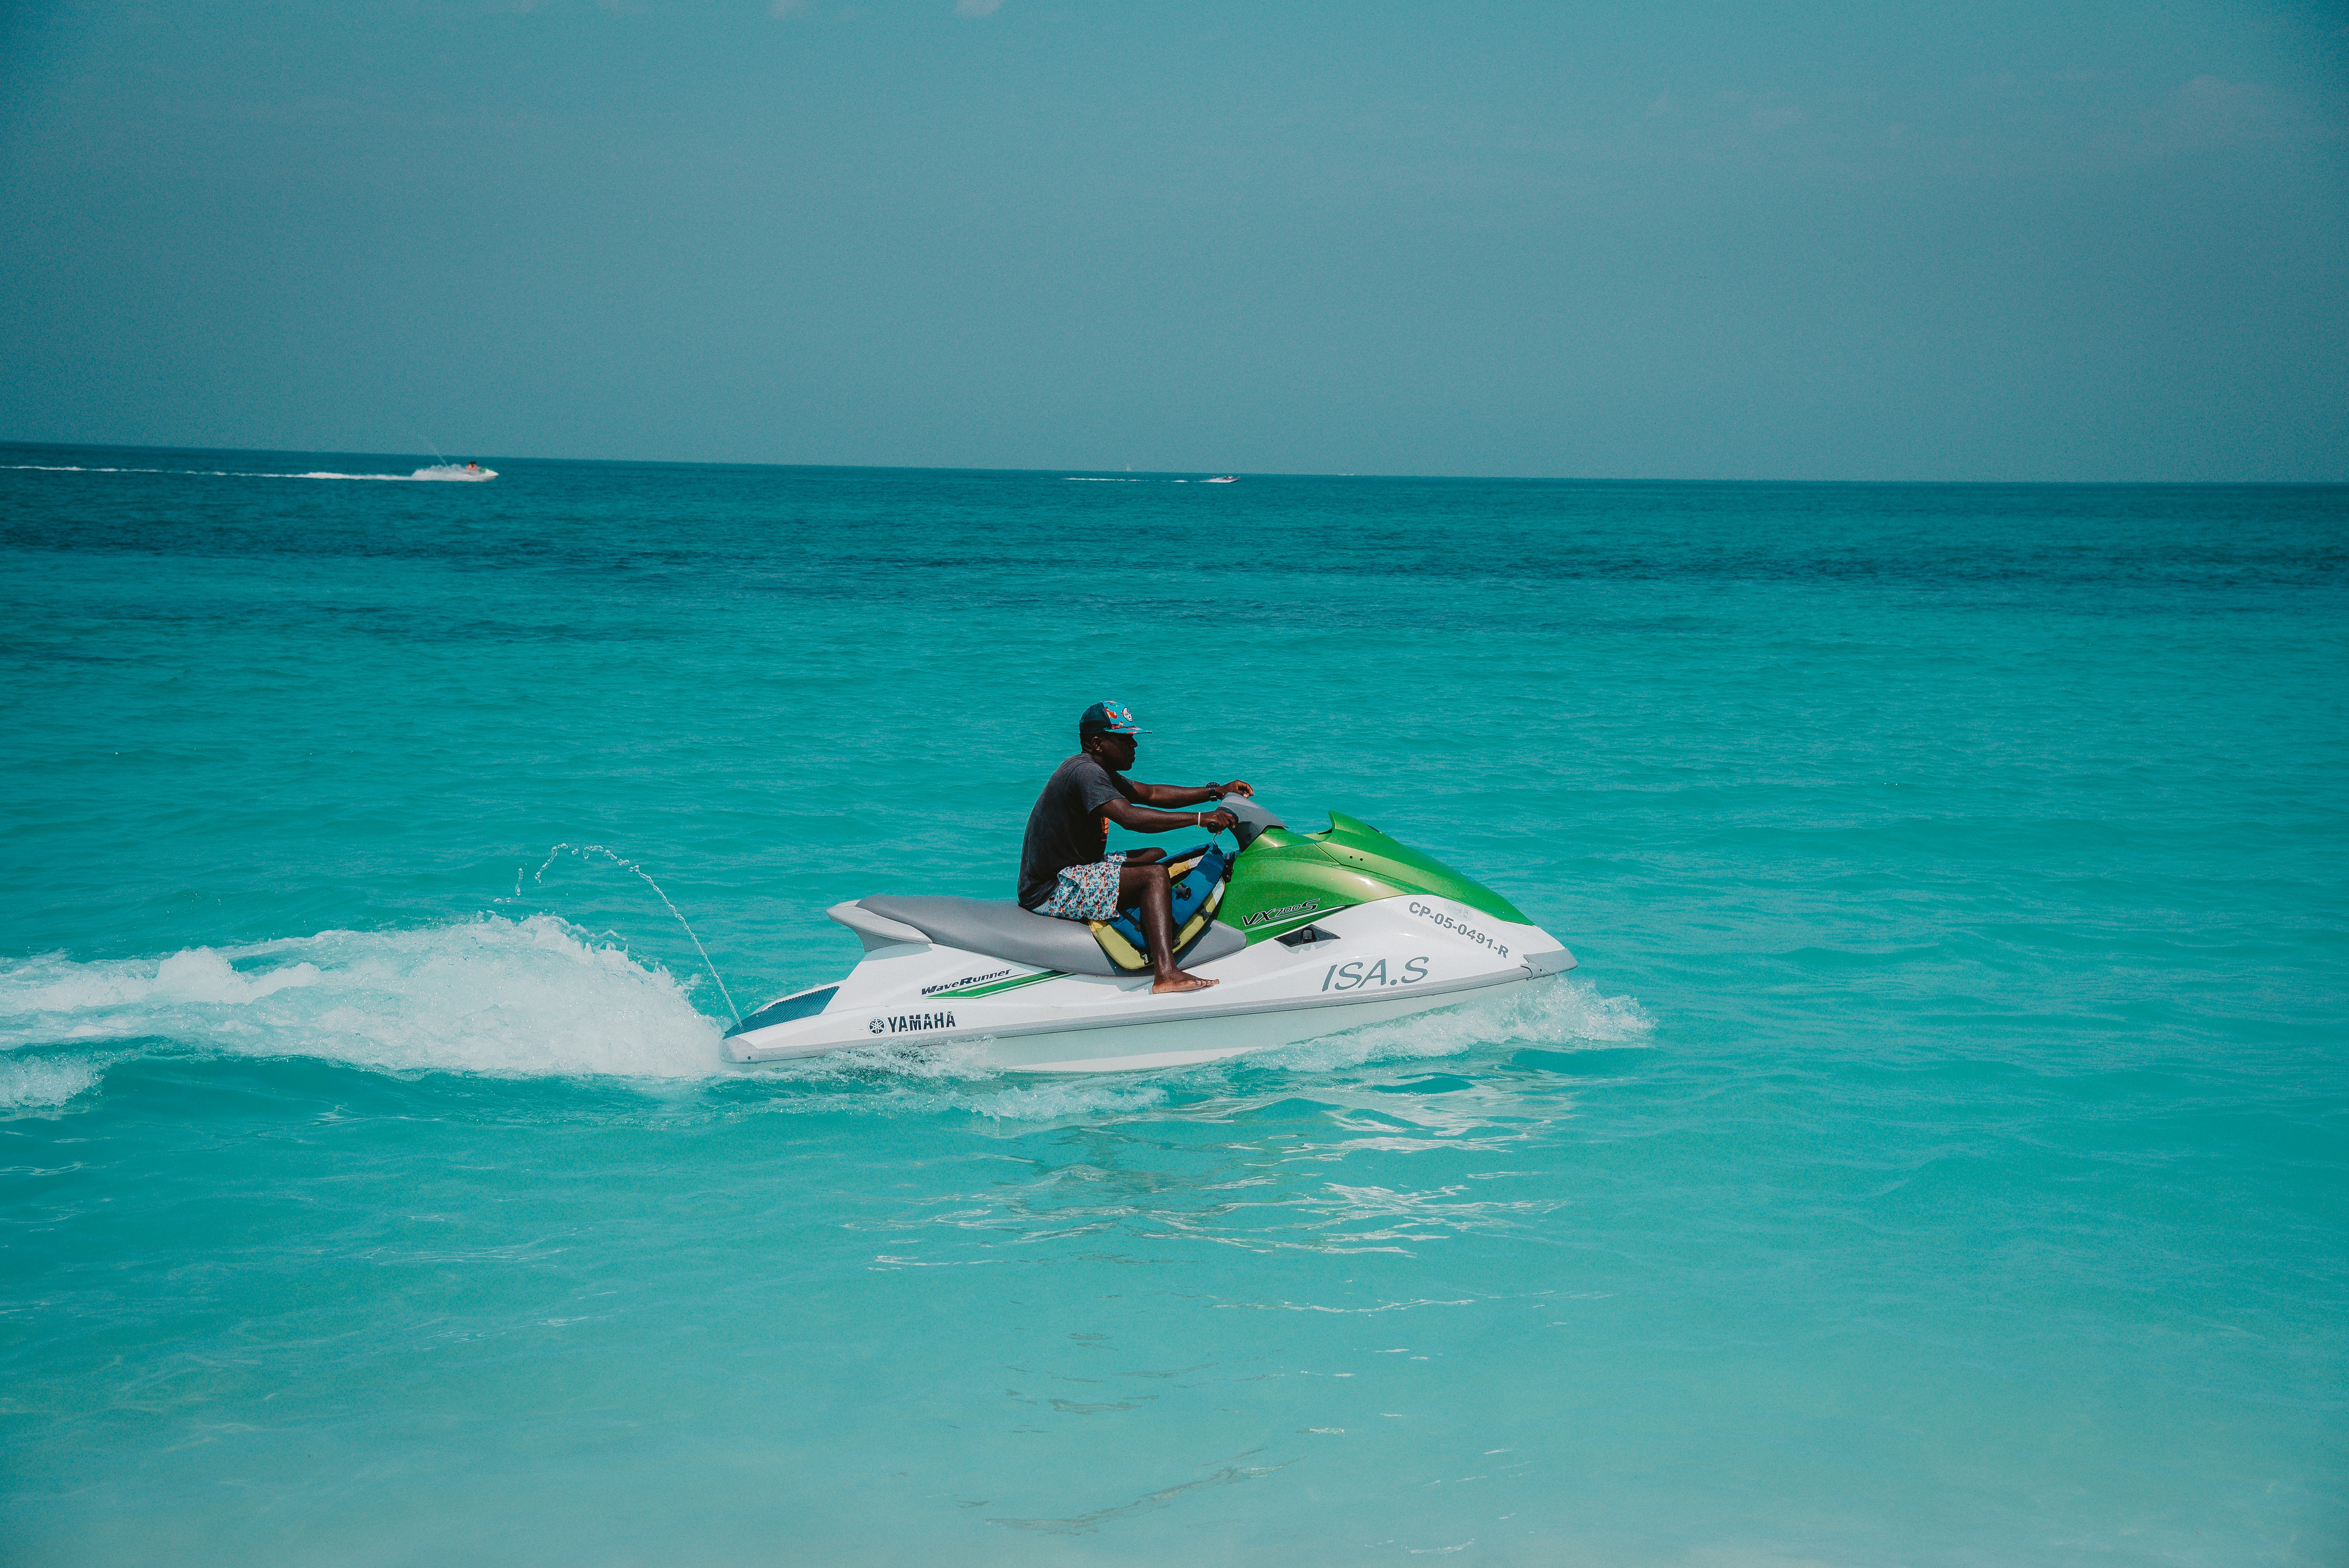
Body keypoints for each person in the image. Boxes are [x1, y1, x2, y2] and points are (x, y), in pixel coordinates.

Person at [1018, 702, 1252, 994]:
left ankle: (1141, 919)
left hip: (1078, 869)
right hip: (1051, 889)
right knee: (1154, 875)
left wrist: (1216, 791)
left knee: (1155, 854)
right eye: (1126, 738)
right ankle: (1166, 973)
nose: (1135, 743)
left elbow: (1151, 793)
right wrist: (1202, 819)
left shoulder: (1098, 770)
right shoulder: (1086, 773)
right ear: (1097, 743)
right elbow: (1130, 818)